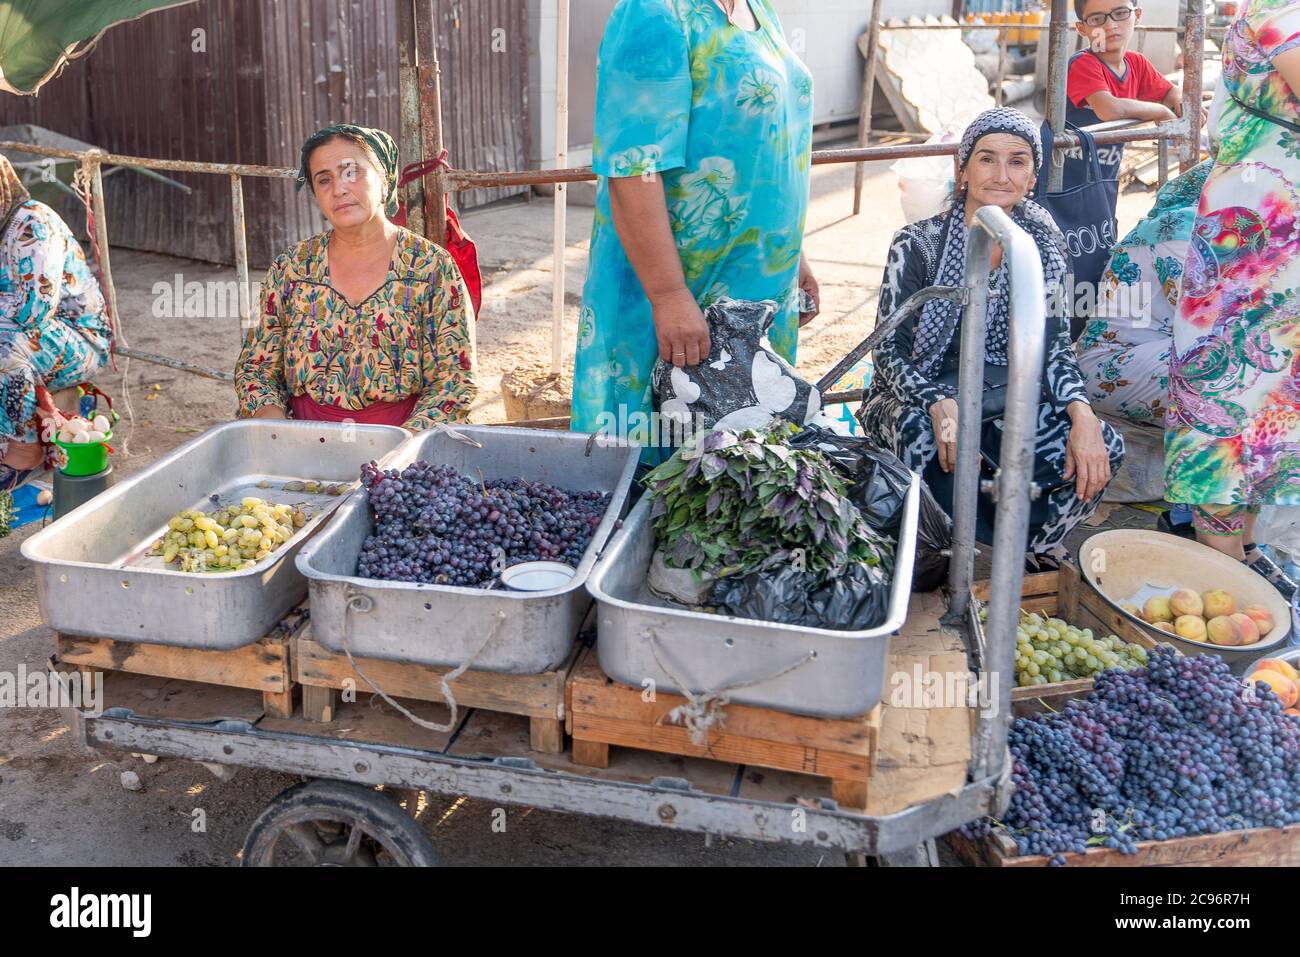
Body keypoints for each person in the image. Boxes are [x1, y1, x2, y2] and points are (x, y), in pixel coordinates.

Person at [858, 108, 1125, 567]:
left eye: (1017, 161)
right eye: (986, 159)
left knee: (1101, 443)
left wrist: (1081, 414)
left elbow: (1055, 343)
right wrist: (936, 402)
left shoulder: (1046, 243)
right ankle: (944, 549)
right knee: (928, 438)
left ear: (1033, 176)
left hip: (1007, 395)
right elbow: (887, 353)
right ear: (961, 170)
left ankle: (1026, 547)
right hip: (918, 396)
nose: (1001, 175)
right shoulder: (917, 243)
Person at [571, 0, 820, 456]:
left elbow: (774, 146)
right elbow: (633, 169)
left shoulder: (757, 7)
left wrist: (796, 259)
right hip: (681, 287)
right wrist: (669, 296)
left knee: (746, 465)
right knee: (664, 448)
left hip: (760, 291)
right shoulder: (654, 11)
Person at [1165, 0, 1300, 598]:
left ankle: (1243, 568)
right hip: (1248, 252)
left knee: (1268, 410)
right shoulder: (1277, 17)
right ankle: (1229, 593)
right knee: (1227, 408)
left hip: (1276, 251)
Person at [236, 124, 476, 429]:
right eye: (324, 180)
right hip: (302, 443)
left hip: (404, 449)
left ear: (385, 180)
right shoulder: (292, 267)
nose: (339, 189)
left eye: (351, 172)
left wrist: (400, 453)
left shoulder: (430, 268)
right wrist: (276, 429)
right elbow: (257, 368)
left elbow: (455, 380)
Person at [1076, 160, 1212, 537]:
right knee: (1226, 369)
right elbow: (1215, 319)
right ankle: (1194, 506)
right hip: (1109, 366)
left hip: (1150, 355)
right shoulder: (1180, 231)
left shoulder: (1207, 225)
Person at [0, 155, 111, 492]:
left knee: (2, 343)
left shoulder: (31, 224)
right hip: (24, 332)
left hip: (80, 338)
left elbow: (33, 311)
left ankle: (25, 451)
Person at [1056, 0, 1189, 190]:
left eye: (1120, 13)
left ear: (1138, 15)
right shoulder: (1083, 64)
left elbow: (1170, 91)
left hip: (1105, 177)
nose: (1110, 25)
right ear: (1081, 28)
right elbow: (1110, 110)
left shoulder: (1136, 63)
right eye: (1096, 19)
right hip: (1065, 181)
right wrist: (1161, 112)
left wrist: (1182, 102)